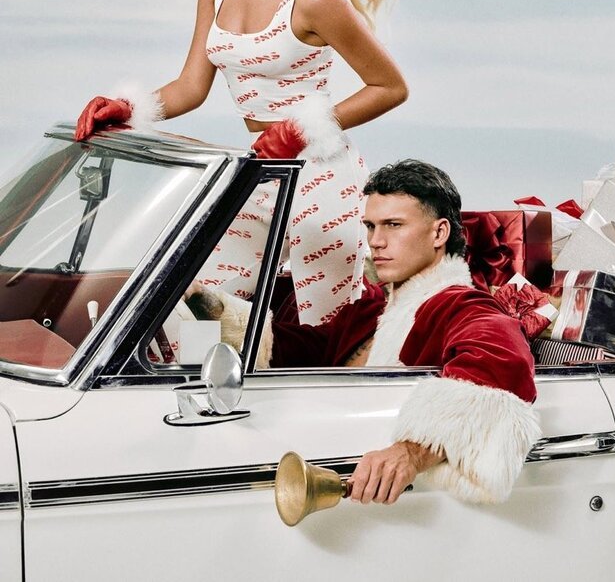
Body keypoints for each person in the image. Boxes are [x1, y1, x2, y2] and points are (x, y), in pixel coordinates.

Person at [74, 0, 409, 326]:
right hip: (257, 172)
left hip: (322, 181)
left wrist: (298, 129)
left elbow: (390, 86)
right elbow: (191, 87)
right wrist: (128, 107)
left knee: (323, 334)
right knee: (205, 316)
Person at [205, 159, 540, 506]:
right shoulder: (368, 310)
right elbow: (305, 350)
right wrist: (213, 307)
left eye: (393, 225)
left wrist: (412, 452)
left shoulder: (460, 305)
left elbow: (503, 360)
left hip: (397, 504)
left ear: (439, 233)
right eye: (370, 226)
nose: (376, 242)